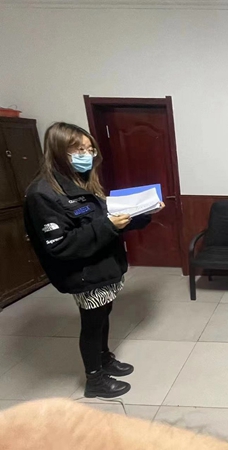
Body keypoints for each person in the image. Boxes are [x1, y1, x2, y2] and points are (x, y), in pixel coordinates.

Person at [23, 122, 164, 398]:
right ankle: (94, 380)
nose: (87, 155)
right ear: (59, 151)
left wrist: (144, 213)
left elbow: (107, 221)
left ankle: (105, 358)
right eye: (79, 150)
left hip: (103, 266)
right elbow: (61, 244)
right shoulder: (43, 193)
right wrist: (109, 225)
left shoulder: (82, 182)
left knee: (103, 315)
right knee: (92, 324)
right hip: (84, 272)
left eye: (90, 149)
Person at [0, 398, 228, 450]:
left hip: (104, 281)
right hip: (88, 284)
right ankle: (95, 374)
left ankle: (104, 359)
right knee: (58, 424)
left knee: (101, 317)